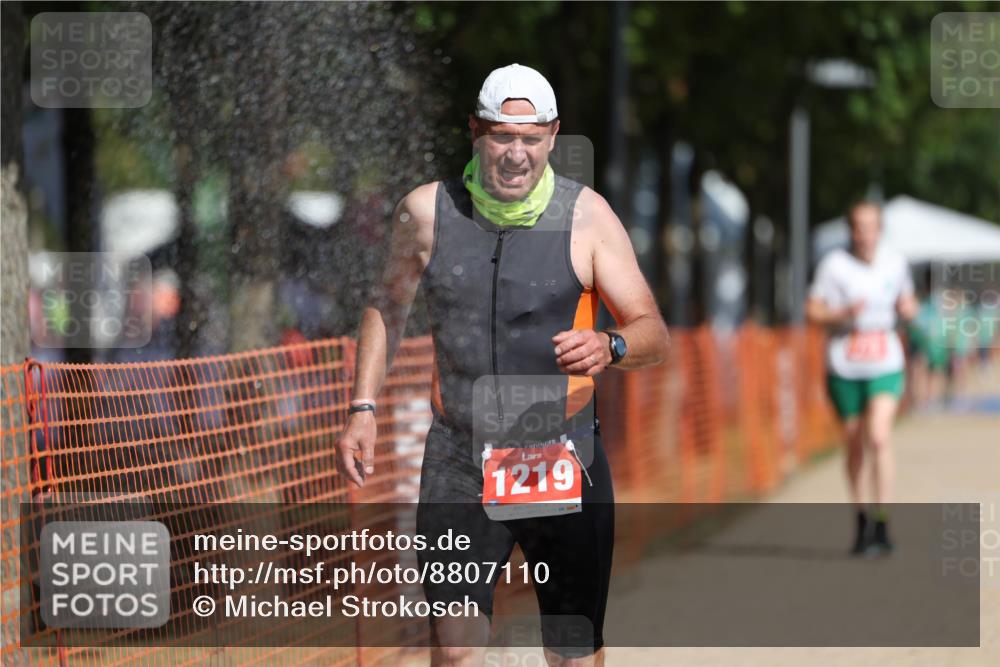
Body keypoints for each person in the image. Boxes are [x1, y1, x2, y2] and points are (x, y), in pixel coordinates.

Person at [335, 64, 669, 666]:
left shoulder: (587, 217)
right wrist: (362, 407)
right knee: (457, 648)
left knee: (570, 652)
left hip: (561, 456)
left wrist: (611, 346)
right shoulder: (427, 213)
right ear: (474, 132)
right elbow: (385, 307)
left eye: (531, 139)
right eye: (501, 137)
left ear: (553, 136)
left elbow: (652, 330)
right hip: (460, 457)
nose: (516, 155)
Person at [807, 201, 918, 556]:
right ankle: (861, 521)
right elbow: (812, 310)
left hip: (885, 360)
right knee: (854, 443)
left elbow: (909, 302)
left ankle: (883, 523)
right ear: (850, 230)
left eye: (871, 226)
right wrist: (840, 313)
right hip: (844, 364)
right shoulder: (833, 265)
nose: (865, 234)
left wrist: (908, 310)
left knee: (880, 437)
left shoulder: (896, 262)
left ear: (880, 229)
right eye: (858, 226)